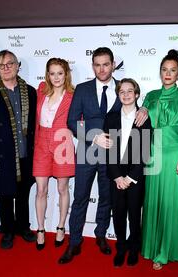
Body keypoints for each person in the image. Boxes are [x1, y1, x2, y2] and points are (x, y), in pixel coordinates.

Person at [59, 47, 122, 264]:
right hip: (87, 151)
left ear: (113, 64)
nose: (102, 69)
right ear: (92, 66)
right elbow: (72, 121)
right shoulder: (83, 89)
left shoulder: (124, 88)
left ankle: (101, 235)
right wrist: (94, 137)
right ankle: (74, 242)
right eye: (97, 64)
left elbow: (130, 116)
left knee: (107, 197)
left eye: (106, 64)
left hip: (112, 154)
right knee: (80, 198)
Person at [141, 49, 178, 270]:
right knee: (153, 201)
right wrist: (142, 108)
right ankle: (151, 247)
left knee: (172, 203)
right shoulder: (150, 95)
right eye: (164, 70)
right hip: (153, 152)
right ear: (160, 72)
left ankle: (165, 251)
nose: (168, 73)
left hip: (174, 153)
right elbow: (142, 119)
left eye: (173, 70)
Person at [0, 50, 37, 249]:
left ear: (17, 65)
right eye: (2, 65)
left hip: (25, 154)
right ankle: (8, 232)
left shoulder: (30, 91)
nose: (6, 68)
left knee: (23, 194)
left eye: (10, 63)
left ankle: (23, 227)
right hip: (3, 156)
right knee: (5, 195)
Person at [103, 78, 151, 267]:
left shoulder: (143, 118)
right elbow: (109, 149)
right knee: (119, 213)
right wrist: (116, 176)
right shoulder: (111, 117)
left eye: (130, 91)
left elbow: (145, 152)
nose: (126, 94)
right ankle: (121, 248)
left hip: (134, 176)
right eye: (122, 91)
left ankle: (133, 249)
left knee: (134, 214)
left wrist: (131, 177)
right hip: (116, 176)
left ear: (137, 94)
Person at [33, 58, 75, 250]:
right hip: (41, 142)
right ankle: (40, 229)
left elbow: (80, 119)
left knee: (62, 188)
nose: (56, 77)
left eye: (60, 73)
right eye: (52, 73)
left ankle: (60, 227)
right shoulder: (41, 89)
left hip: (63, 143)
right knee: (41, 190)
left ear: (66, 74)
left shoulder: (73, 95)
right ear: (47, 75)